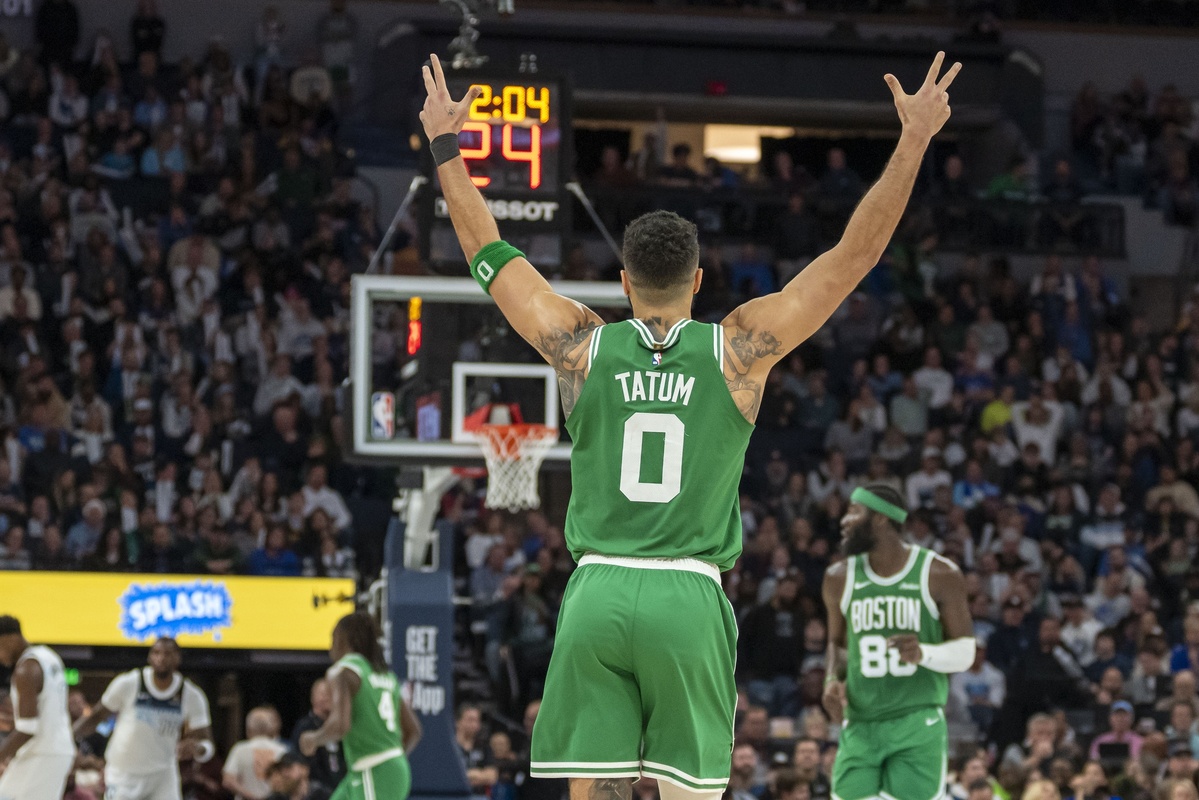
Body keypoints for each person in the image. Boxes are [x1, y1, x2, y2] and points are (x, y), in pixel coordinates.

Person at [419, 49, 960, 800]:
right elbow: (851, 258)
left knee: (595, 790)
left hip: (597, 591)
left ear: (622, 281)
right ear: (698, 280)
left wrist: (445, 144)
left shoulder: (580, 344)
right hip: (686, 594)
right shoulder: (738, 350)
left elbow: (486, 250)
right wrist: (913, 140)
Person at [821, 483, 976, 800]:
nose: (844, 520)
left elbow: (966, 652)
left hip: (916, 722)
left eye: (853, 511)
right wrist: (832, 679)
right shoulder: (838, 577)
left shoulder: (939, 573)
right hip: (861, 723)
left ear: (879, 518)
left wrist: (923, 654)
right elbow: (837, 644)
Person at [299, 612, 422, 800]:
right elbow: (414, 731)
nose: (330, 647)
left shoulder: (342, 671)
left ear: (343, 639)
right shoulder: (385, 676)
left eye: (332, 638)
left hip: (373, 770)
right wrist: (391, 758)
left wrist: (313, 739)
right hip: (384, 768)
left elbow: (340, 725)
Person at [73, 637, 214, 800]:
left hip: (162, 774)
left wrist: (198, 749)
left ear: (177, 658)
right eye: (156, 653)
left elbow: (207, 743)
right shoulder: (129, 683)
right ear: (149, 657)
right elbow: (96, 716)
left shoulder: (191, 695)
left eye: (167, 654)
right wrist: (69, 736)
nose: (161, 658)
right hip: (123, 773)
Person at [0, 615, 75, 800]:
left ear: (10, 638)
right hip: (57, 749)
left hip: (43, 752)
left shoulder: (26, 668)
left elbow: (28, 728)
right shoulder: (48, 656)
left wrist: (1, 754)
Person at [290, 679, 347, 790]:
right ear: (312, 698)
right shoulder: (305, 726)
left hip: (342, 786)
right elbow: (299, 759)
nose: (326, 698)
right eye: (322, 694)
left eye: (331, 694)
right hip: (316, 789)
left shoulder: (342, 726)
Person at [224, 706, 290, 800]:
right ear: (271, 729)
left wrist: (251, 796)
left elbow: (228, 781)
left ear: (248, 729)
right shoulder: (283, 750)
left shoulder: (239, 749)